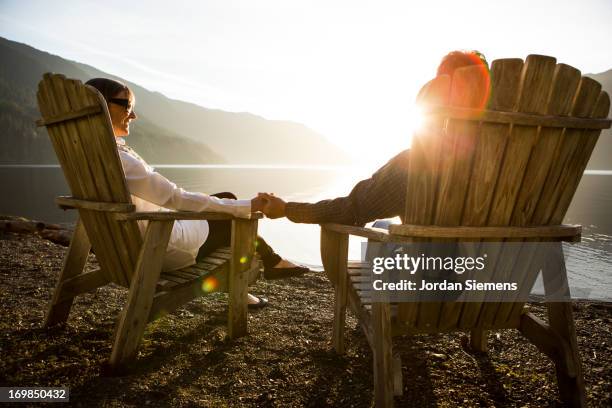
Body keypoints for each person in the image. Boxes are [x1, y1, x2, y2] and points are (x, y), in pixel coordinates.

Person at [85, 78, 309, 309]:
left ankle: (271, 262)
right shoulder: (119, 159)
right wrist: (250, 205)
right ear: (102, 105)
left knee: (226, 199)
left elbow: (166, 198)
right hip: (157, 246)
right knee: (236, 216)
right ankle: (264, 268)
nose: (133, 116)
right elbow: (174, 197)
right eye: (127, 106)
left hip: (122, 247)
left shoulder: (85, 154)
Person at [258, 50, 489, 225]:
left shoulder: (417, 163)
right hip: (507, 273)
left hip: (434, 277)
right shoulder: (514, 164)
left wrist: (287, 209)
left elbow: (352, 210)